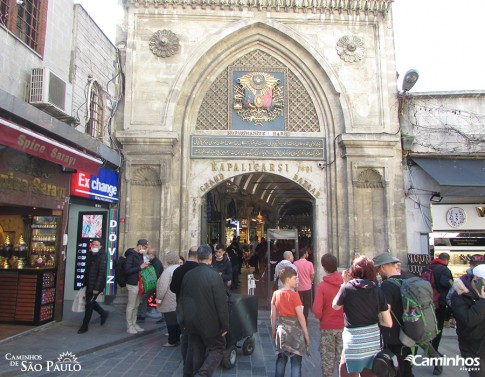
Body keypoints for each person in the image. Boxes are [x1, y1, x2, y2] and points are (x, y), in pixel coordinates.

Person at [332, 255, 392, 377]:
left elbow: (335, 306)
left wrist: (344, 283)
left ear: (354, 270)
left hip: (353, 341)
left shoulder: (347, 288)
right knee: (369, 373)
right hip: (372, 342)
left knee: (347, 371)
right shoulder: (377, 290)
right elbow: (388, 323)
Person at [179, 244, 229, 377]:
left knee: (197, 350)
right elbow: (221, 303)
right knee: (218, 347)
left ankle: (193, 372)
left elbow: (182, 300)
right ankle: (202, 374)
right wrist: (224, 325)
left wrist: (182, 321)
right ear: (210, 258)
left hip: (192, 321)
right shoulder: (214, 276)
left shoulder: (188, 275)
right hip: (210, 323)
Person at [373, 252, 414, 377]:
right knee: (406, 367)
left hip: (395, 335)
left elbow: (385, 313)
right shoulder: (409, 280)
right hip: (411, 332)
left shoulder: (387, 286)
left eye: (378, 269)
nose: (378, 273)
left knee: (397, 369)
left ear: (383, 267)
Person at [271, 267, 310, 377]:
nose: (297, 281)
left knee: (281, 360)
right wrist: (306, 334)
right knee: (296, 363)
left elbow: (273, 315)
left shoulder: (276, 294)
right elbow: (300, 316)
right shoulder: (294, 295)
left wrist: (274, 330)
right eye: (295, 278)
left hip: (281, 330)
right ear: (288, 280)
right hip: (295, 332)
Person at [311, 253, 344, 377]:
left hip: (327, 327)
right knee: (343, 361)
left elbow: (316, 309)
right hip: (343, 326)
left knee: (327, 362)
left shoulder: (322, 287)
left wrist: (323, 318)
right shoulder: (344, 284)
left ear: (324, 267)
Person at [450, 264, 485, 377]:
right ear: (477, 280)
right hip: (472, 348)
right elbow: (468, 320)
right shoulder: (460, 294)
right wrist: (483, 301)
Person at [170, 246, 199, 377]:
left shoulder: (178, 270)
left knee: (185, 336)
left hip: (181, 307)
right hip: (195, 309)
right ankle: (190, 367)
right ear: (198, 256)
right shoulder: (198, 271)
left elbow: (173, 288)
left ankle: (185, 361)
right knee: (194, 339)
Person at [77, 239, 109, 334]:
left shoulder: (102, 256)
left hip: (96, 285)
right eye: (93, 244)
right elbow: (87, 270)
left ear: (101, 246)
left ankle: (84, 325)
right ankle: (103, 313)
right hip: (88, 283)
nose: (94, 246)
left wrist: (96, 288)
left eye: (96, 245)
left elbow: (101, 273)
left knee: (89, 305)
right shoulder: (90, 254)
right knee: (90, 302)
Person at [429, 252, 453, 360]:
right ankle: (434, 351)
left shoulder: (430, 266)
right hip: (440, 302)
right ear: (447, 260)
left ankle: (429, 349)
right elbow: (444, 283)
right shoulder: (444, 269)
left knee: (430, 327)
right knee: (439, 328)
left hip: (428, 302)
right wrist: (451, 282)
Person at [124, 239, 150, 334]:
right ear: (140, 246)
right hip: (132, 283)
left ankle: (134, 324)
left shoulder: (140, 255)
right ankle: (129, 325)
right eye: (145, 247)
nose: (145, 249)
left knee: (136, 304)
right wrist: (140, 267)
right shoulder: (131, 255)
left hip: (139, 282)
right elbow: (127, 269)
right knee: (131, 305)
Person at [156, 251, 181, 347]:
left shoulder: (167, 271)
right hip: (178, 299)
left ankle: (172, 340)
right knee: (177, 320)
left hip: (169, 299)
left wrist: (159, 298)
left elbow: (163, 286)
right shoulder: (180, 268)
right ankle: (178, 337)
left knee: (170, 321)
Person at [138, 247, 164, 322]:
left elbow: (156, 274)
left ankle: (144, 314)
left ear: (152, 255)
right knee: (146, 297)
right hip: (154, 284)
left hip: (154, 284)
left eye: (148, 254)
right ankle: (144, 314)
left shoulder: (156, 263)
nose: (147, 255)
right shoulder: (154, 261)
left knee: (146, 297)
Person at [293, 248, 314, 322]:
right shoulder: (310, 264)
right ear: (305, 254)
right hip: (307, 287)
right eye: (307, 253)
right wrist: (310, 282)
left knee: (298, 305)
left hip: (298, 287)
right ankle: (305, 319)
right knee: (306, 305)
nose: (308, 255)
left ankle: (299, 319)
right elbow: (312, 275)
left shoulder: (295, 263)